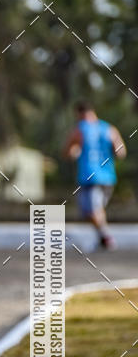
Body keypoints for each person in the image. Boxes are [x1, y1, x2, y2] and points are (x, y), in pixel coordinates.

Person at [63, 102, 126, 249]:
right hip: (108, 177)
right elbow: (121, 152)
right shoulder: (109, 129)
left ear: (79, 114)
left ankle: (107, 238)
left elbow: (67, 151)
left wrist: (74, 152)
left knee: (92, 210)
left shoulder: (80, 129)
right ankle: (103, 240)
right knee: (95, 210)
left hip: (89, 176)